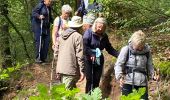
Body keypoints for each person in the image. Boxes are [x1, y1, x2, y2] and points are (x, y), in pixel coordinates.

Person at [114, 30, 159, 100]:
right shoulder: (126, 50)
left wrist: (153, 75)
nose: (138, 48)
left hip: (142, 83)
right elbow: (119, 65)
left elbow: (150, 65)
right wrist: (120, 77)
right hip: (128, 82)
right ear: (132, 43)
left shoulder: (147, 52)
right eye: (137, 46)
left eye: (140, 46)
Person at [83, 17, 119, 93]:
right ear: (95, 25)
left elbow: (109, 48)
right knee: (89, 79)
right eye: (99, 27)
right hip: (89, 58)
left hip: (99, 58)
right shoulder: (88, 33)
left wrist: (119, 55)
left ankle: (95, 96)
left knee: (96, 79)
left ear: (105, 28)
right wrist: (91, 54)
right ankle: (87, 96)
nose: (100, 29)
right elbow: (85, 47)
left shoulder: (104, 36)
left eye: (102, 28)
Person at [56, 16, 85, 90]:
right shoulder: (78, 36)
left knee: (67, 92)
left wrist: (57, 68)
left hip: (60, 69)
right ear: (79, 27)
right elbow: (80, 55)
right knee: (66, 95)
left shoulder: (60, 36)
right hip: (70, 70)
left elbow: (56, 53)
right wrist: (82, 70)